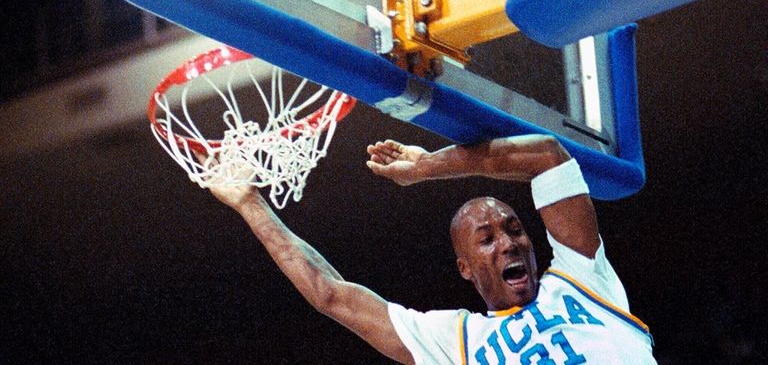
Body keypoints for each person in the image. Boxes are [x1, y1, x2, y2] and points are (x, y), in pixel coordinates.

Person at [201, 134, 656, 364]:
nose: (508, 241)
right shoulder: (457, 340)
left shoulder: (581, 277)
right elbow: (331, 294)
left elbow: (549, 156)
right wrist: (250, 203)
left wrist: (427, 168)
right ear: (464, 267)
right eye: (487, 238)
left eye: (514, 228)